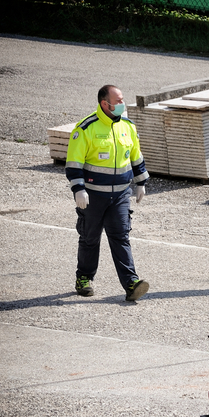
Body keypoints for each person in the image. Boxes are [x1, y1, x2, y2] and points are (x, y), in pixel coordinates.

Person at [66, 84, 150, 302]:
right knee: (90, 238)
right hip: (93, 196)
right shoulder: (86, 128)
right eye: (119, 100)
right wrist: (79, 189)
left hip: (121, 195)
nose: (122, 104)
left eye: (122, 99)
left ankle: (131, 283)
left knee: (121, 236)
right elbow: (74, 163)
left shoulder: (127, 126)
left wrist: (141, 182)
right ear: (105, 104)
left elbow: (136, 156)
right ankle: (84, 278)